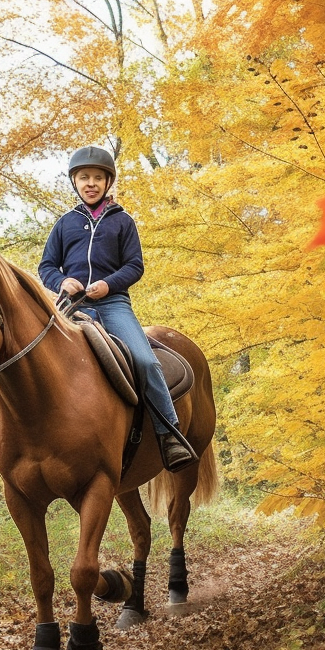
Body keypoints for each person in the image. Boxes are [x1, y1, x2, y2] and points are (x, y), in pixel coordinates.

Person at [38, 145, 196, 472]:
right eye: (84, 178)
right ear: (75, 182)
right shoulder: (65, 224)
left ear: (108, 182)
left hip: (112, 304)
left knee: (145, 362)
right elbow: (46, 267)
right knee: (39, 357)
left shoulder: (123, 222)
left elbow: (135, 266)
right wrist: (62, 281)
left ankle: (170, 435)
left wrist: (109, 284)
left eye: (98, 177)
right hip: (72, 307)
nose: (91, 183)